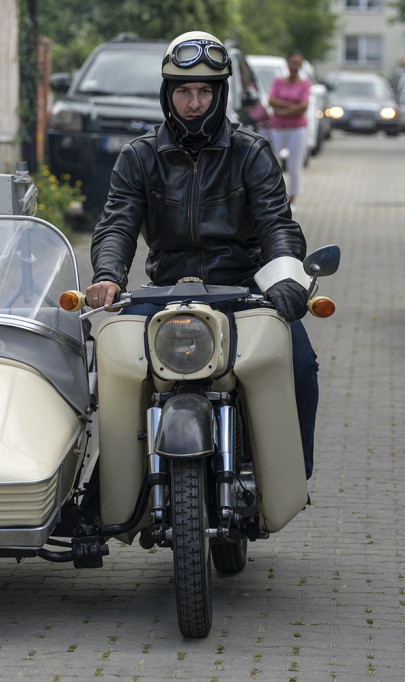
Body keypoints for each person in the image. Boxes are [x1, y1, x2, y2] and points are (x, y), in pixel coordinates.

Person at [86, 31, 320, 479]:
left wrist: (287, 279)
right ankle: (113, 480)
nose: (194, 103)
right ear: (167, 94)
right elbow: (117, 223)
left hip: (244, 292)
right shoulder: (140, 156)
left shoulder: (251, 152)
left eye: (204, 92)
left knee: (300, 361)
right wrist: (109, 275)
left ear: (220, 95)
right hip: (165, 291)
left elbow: (277, 223)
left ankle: (290, 472)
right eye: (183, 92)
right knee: (111, 367)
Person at [267, 51, 310, 203]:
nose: (294, 67)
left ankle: (292, 196)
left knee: (295, 164)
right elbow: (271, 101)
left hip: (297, 128)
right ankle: (273, 193)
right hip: (278, 127)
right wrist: (293, 107)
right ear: (287, 63)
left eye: (298, 63)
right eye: (292, 63)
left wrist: (282, 109)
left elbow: (304, 107)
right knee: (272, 161)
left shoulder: (304, 84)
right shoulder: (278, 81)